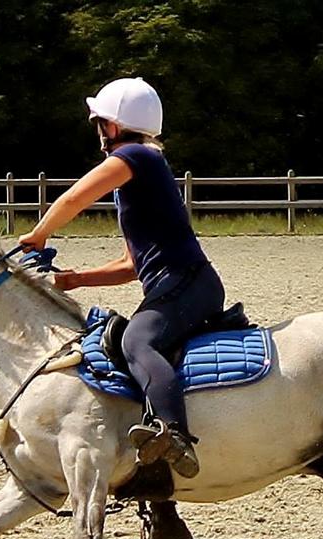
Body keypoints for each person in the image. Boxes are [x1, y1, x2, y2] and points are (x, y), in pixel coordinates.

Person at [18, 77, 227, 481]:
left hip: (185, 283)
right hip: (178, 284)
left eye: (100, 124)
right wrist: (75, 280)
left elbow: (75, 197)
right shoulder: (139, 171)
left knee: (136, 341)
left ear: (112, 126)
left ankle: (174, 432)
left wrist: (40, 233)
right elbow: (132, 265)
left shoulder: (137, 157)